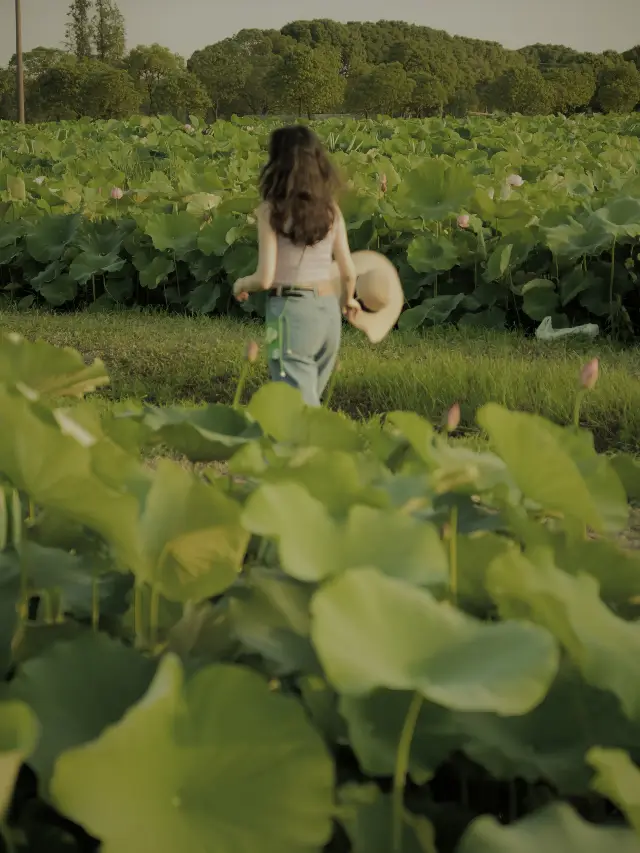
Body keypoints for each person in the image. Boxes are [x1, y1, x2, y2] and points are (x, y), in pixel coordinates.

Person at [233, 125, 361, 408]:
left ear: (277, 164)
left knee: (298, 407)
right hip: (328, 313)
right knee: (308, 396)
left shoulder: (271, 211)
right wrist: (349, 299)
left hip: (291, 313)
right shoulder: (331, 210)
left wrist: (242, 284)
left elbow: (266, 278)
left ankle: (327, 451)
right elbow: (348, 270)